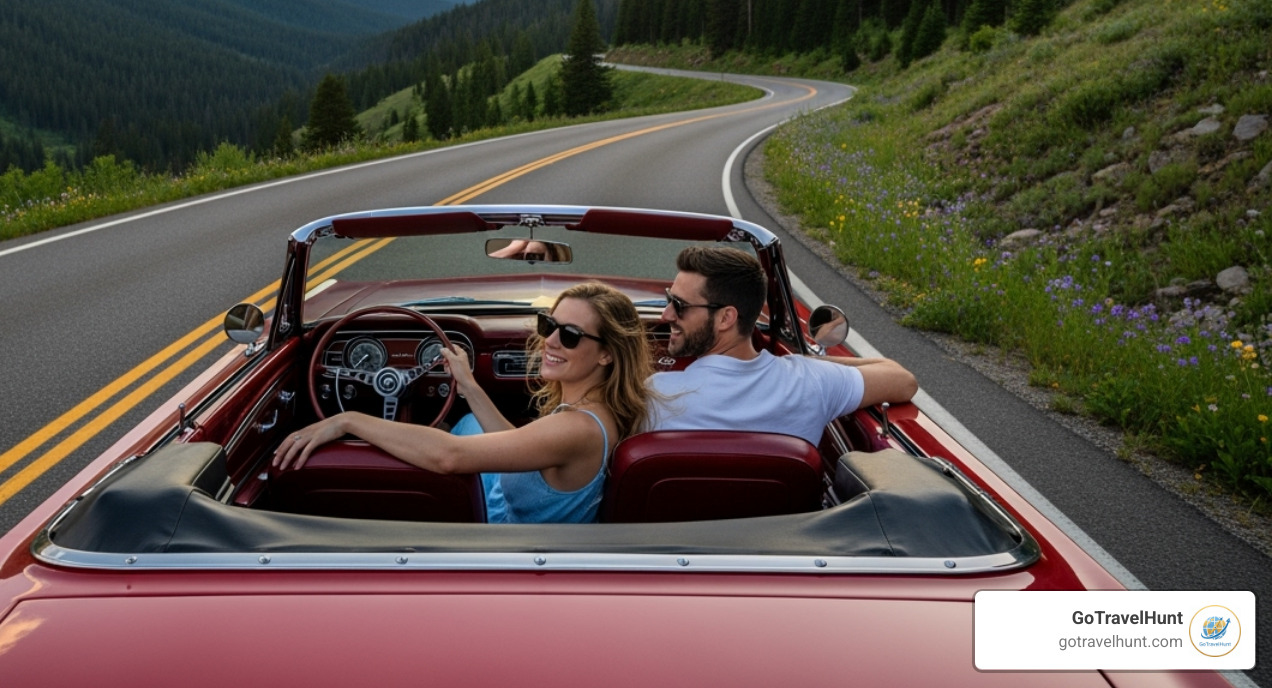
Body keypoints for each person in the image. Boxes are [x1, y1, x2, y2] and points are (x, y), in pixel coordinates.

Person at [274, 282, 654, 523]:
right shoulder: (590, 412)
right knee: (464, 423)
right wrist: (468, 385)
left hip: (510, 545)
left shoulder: (576, 428)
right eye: (547, 325)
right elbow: (519, 445)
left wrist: (349, 421)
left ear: (607, 354)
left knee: (436, 444)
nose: (551, 342)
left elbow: (449, 458)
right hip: (527, 524)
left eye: (570, 335)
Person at [646, 245, 917, 445]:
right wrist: (801, 364)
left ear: (726, 318)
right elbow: (902, 380)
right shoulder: (809, 382)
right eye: (670, 299)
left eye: (679, 306)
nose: (666, 315)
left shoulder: (655, 395)